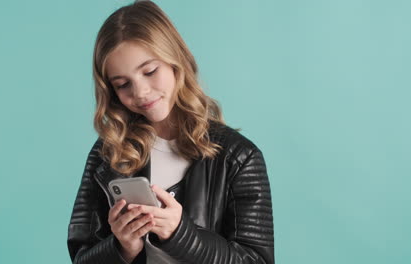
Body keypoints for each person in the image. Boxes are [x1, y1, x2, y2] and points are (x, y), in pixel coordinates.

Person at [67, 1, 274, 263]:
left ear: (176, 61)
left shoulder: (239, 157)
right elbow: (81, 258)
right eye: (122, 84)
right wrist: (123, 248)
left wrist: (181, 235)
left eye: (150, 71)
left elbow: (257, 260)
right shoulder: (107, 154)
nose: (140, 92)